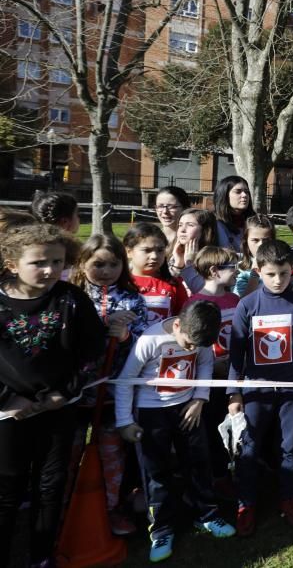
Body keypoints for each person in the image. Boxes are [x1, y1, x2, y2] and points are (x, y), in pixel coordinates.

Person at [0, 224, 105, 567]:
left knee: (50, 486)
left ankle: (41, 556)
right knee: (7, 487)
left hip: (58, 410)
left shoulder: (72, 300)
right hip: (8, 416)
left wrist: (65, 392)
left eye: (58, 261)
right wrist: (9, 400)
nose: (50, 270)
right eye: (39, 262)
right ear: (12, 263)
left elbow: (92, 351)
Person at [115, 301, 236, 562]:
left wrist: (199, 400)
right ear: (178, 324)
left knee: (198, 462)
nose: (192, 349)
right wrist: (125, 421)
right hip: (151, 412)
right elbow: (126, 381)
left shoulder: (200, 340)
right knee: (156, 472)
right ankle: (161, 529)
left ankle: (207, 514)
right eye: (189, 343)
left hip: (188, 408)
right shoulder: (151, 339)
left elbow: (205, 364)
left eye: (197, 346)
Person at [227, 240, 293, 536]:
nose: (278, 280)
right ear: (258, 271)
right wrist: (234, 392)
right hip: (256, 392)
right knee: (249, 448)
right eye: (271, 274)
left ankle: (288, 497)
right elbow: (237, 352)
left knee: (289, 447)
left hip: (291, 392)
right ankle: (246, 503)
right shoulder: (247, 305)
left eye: (284, 273)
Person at [71, 234, 149, 536]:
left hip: (114, 392)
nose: (106, 271)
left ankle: (111, 507)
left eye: (114, 264)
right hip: (75, 393)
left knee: (112, 452)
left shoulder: (133, 298)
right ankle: (65, 505)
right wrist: (102, 326)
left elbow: (145, 341)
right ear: (83, 263)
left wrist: (127, 336)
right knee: (71, 451)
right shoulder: (73, 295)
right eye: (98, 264)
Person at [184, 246, 241, 486]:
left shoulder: (235, 300)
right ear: (215, 271)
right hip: (209, 379)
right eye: (233, 268)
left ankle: (232, 470)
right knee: (211, 428)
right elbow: (190, 345)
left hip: (233, 375)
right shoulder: (194, 303)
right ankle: (216, 476)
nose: (238, 272)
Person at [125, 222, 189, 323]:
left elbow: (183, 321)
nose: (154, 256)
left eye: (160, 250)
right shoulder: (120, 283)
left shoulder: (174, 284)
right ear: (129, 252)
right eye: (147, 250)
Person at [169, 208, 219, 294]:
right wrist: (177, 265)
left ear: (205, 231)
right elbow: (166, 290)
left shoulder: (217, 259)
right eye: (180, 225)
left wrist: (190, 264)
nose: (182, 230)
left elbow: (206, 293)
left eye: (190, 225)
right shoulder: (174, 256)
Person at [235, 214, 276, 297]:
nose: (261, 245)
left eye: (266, 240)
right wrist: (254, 275)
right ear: (246, 242)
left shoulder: (281, 263)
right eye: (255, 240)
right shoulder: (240, 270)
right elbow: (241, 302)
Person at [213, 175, 255, 253]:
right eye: (238, 191)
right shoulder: (213, 223)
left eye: (246, 192)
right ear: (224, 195)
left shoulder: (255, 222)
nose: (244, 195)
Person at [153, 186, 191, 250]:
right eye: (160, 206)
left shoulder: (191, 241)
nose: (165, 211)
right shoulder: (149, 237)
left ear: (185, 208)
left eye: (172, 207)